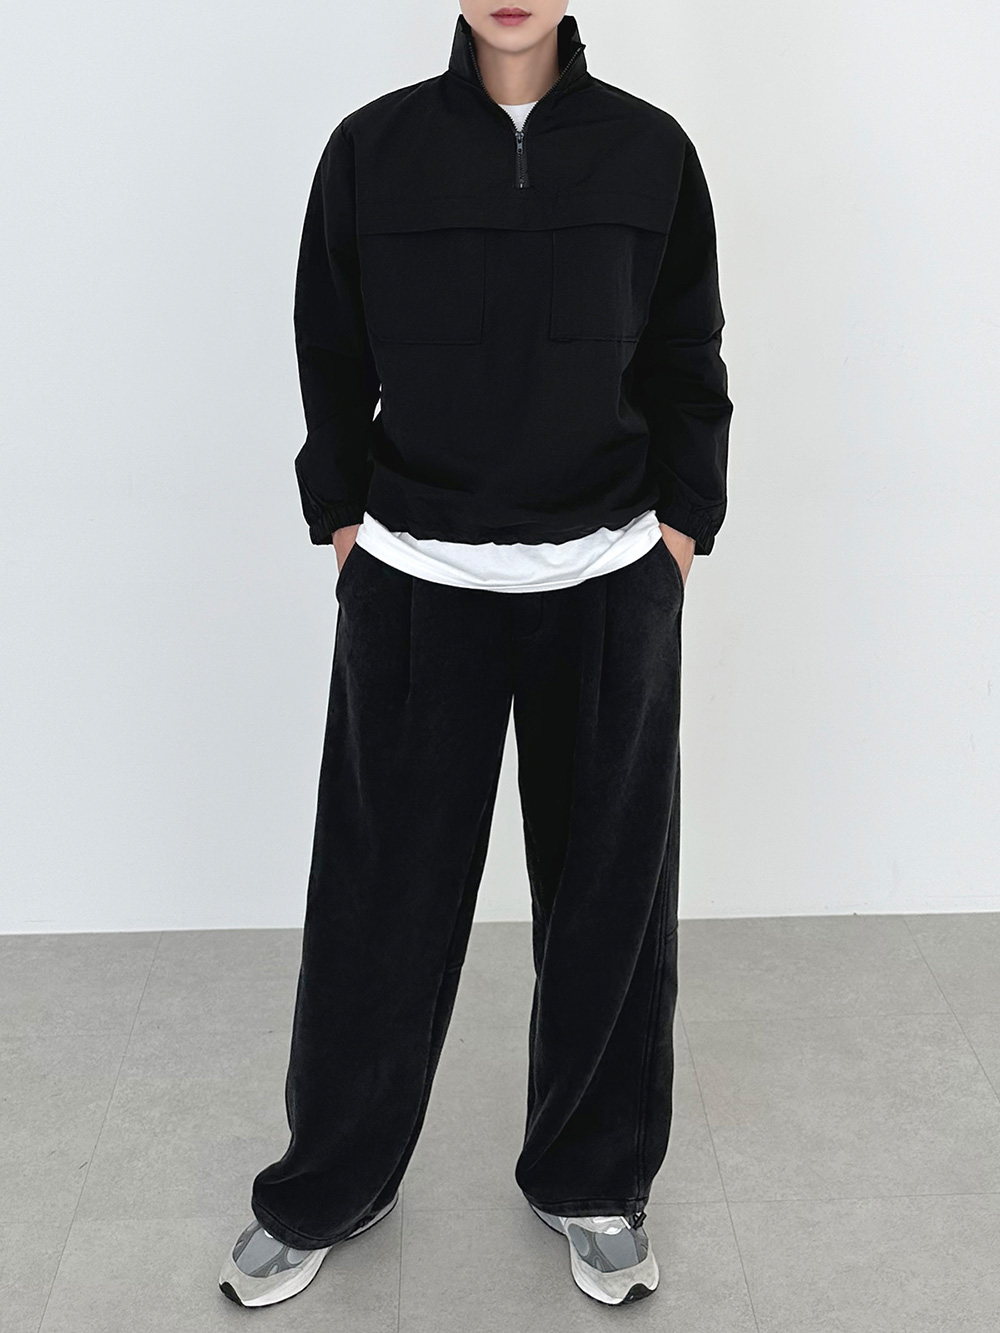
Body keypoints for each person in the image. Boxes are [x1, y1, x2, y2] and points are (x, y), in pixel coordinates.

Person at [219, 0, 732, 1310]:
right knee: (376, 907)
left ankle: (593, 1179)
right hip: (416, 579)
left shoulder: (650, 151)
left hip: (608, 577)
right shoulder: (371, 150)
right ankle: (330, 1182)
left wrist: (682, 528)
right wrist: (343, 518)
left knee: (611, 905)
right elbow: (329, 345)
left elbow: (688, 353)